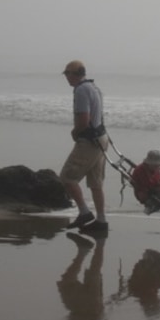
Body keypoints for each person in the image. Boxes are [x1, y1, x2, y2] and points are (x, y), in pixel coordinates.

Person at [59, 60, 109, 232]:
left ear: (75, 74)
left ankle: (84, 212)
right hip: (102, 138)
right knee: (96, 183)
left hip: (89, 141)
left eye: (67, 74)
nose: (66, 77)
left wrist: (75, 132)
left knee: (67, 178)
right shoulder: (94, 87)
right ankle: (101, 222)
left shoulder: (81, 90)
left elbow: (84, 119)